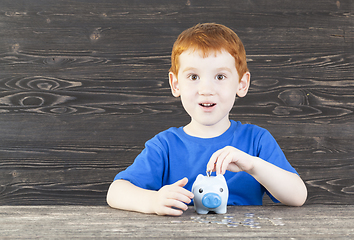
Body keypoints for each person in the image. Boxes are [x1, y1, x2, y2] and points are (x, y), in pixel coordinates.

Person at [106, 23, 307, 216]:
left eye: (220, 77)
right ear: (175, 84)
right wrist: (153, 201)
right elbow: (116, 192)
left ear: (242, 84)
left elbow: (298, 196)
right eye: (193, 77)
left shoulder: (256, 140)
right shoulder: (165, 145)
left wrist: (253, 165)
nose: (206, 90)